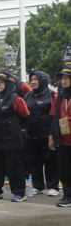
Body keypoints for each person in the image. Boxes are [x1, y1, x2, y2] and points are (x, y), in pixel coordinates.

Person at [0, 68, 30, 202]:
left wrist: (16, 128)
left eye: (1, 82)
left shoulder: (16, 99)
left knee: (14, 166)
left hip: (11, 139)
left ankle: (19, 193)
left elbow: (26, 116)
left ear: (9, 84)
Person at [23, 71, 57, 196]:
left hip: (47, 135)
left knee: (50, 161)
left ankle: (53, 186)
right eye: (31, 79)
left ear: (42, 81)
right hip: (31, 135)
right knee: (34, 161)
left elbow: (55, 116)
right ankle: (38, 185)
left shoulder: (51, 95)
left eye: (36, 79)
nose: (33, 82)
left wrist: (52, 134)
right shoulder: (27, 96)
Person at [49, 64, 71, 207]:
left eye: (67, 78)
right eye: (62, 78)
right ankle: (68, 197)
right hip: (62, 140)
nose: (64, 80)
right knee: (64, 169)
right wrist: (51, 136)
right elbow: (53, 117)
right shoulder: (59, 97)